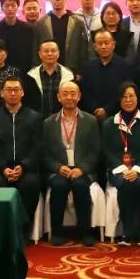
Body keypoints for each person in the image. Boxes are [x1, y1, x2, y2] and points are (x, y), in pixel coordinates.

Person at [101, 82, 140, 246]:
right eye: (124, 97)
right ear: (119, 100)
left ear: (137, 98)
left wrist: (137, 170)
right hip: (118, 170)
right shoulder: (109, 123)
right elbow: (107, 151)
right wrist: (123, 170)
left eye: (131, 96)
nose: (128, 100)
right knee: (125, 182)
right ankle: (127, 231)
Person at [43, 80, 99, 246]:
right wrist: (58, 167)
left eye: (73, 93)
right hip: (59, 169)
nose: (69, 97)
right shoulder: (48, 123)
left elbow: (95, 151)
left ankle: (85, 232)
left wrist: (82, 169)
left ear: (79, 96)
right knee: (59, 186)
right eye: (65, 94)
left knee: (80, 186)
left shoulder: (90, 120)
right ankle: (57, 232)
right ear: (58, 97)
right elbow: (45, 154)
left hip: (82, 169)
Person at [0, 77, 43, 218]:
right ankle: (1, 225)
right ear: (2, 93)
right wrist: (3, 168)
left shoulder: (34, 117)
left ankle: (24, 225)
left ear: (22, 92)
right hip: (0, 169)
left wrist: (23, 166)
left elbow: (38, 147)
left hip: (26, 169)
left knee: (31, 184)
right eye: (9, 90)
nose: (12, 93)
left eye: (16, 90)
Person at [80, 30, 134, 122]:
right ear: (95, 47)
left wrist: (107, 110)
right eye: (100, 44)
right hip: (92, 116)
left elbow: (125, 92)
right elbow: (84, 92)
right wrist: (95, 109)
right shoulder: (88, 67)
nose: (103, 47)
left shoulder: (125, 66)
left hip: (118, 116)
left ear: (113, 44)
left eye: (106, 43)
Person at [34, 0, 89, 74]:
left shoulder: (78, 22)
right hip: (47, 70)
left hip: (71, 70)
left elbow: (83, 49)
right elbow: (36, 49)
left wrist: (80, 72)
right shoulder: (41, 23)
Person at [26, 40, 75, 117]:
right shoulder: (31, 75)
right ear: (40, 54)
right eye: (46, 51)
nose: (50, 54)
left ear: (58, 53)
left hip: (61, 119)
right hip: (37, 119)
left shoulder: (69, 75)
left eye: (53, 51)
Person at [0, 0, 35, 72]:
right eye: (7, 5)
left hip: (23, 71)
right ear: (2, 7)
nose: (10, 9)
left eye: (13, 5)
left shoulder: (27, 29)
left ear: (18, 7)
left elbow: (30, 53)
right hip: (2, 71)